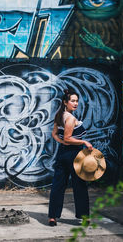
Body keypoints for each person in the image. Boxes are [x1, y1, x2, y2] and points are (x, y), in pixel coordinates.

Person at [48, 88, 93, 226]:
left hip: (62, 154)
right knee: (80, 185)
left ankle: (52, 217)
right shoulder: (71, 118)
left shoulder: (59, 115)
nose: (75, 103)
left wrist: (62, 142)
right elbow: (68, 138)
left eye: (77, 101)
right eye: (72, 101)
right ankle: (84, 217)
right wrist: (84, 142)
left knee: (58, 185)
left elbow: (55, 134)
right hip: (74, 154)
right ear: (65, 102)